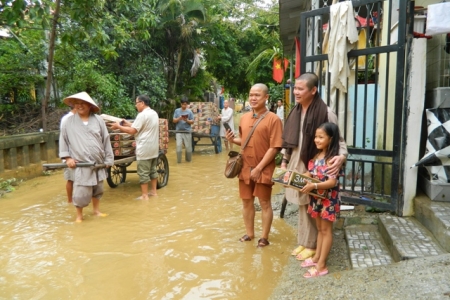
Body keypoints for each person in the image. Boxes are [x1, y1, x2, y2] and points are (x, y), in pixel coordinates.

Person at [281, 72, 347, 260]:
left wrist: (341, 158)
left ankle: (311, 244)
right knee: (303, 204)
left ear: (313, 90)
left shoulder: (326, 113)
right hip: (296, 161)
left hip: (315, 164)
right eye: (295, 88)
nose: (296, 92)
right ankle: (305, 241)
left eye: (300, 89)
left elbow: (339, 141)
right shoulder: (295, 111)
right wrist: (285, 162)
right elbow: (288, 141)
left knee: (311, 202)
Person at [226, 83, 283, 247]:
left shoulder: (274, 119)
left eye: (257, 95)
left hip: (263, 167)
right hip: (245, 165)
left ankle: (264, 237)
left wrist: (259, 168)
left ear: (266, 97)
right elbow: (243, 141)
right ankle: (249, 233)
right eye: (251, 95)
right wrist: (232, 140)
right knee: (246, 201)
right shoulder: (244, 118)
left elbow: (275, 147)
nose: (253, 98)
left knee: (264, 202)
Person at [59, 92, 114, 222]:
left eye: (83, 103)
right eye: (77, 104)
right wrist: (67, 158)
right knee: (80, 191)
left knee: (98, 188)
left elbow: (105, 140)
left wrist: (108, 159)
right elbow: (63, 141)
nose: (80, 106)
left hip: (98, 162)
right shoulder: (68, 122)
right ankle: (79, 216)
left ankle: (96, 211)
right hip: (81, 163)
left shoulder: (98, 120)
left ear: (89, 105)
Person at [299, 122, 343, 278]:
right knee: (319, 229)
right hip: (317, 198)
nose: (317, 140)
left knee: (326, 230)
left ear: (330, 139)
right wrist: (295, 179)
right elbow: (310, 173)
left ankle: (322, 265)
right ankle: (317, 257)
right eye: (316, 137)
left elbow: (332, 182)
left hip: (328, 200)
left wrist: (313, 186)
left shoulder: (332, 160)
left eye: (321, 137)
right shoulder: (317, 156)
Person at [109, 95, 159, 200]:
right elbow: (140, 126)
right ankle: (153, 192)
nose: (136, 105)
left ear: (142, 103)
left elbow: (132, 131)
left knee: (143, 173)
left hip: (144, 148)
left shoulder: (142, 115)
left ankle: (145, 196)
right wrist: (127, 123)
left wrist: (118, 126)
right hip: (154, 148)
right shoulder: (153, 113)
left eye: (136, 103)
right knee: (153, 170)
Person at [60, 106, 77, 203]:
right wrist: (67, 157)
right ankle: (70, 201)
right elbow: (64, 138)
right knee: (71, 179)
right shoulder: (67, 119)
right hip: (70, 155)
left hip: (80, 154)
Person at [173, 99, 194, 163]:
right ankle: (179, 161)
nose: (184, 106)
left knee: (188, 147)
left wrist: (187, 120)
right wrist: (179, 118)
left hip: (187, 131)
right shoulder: (177, 111)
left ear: (187, 104)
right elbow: (174, 121)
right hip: (178, 131)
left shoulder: (189, 112)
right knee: (178, 146)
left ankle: (188, 161)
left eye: (185, 104)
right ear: (181, 104)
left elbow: (192, 121)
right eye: (183, 104)